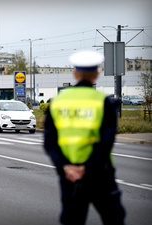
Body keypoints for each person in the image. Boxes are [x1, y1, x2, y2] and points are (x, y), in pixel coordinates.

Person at [44, 51, 125, 225]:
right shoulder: (103, 102)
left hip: (69, 175)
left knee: (72, 219)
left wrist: (67, 166)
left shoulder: (58, 102)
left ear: (74, 73)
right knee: (114, 218)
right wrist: (86, 168)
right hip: (99, 175)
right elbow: (106, 143)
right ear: (97, 74)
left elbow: (49, 142)